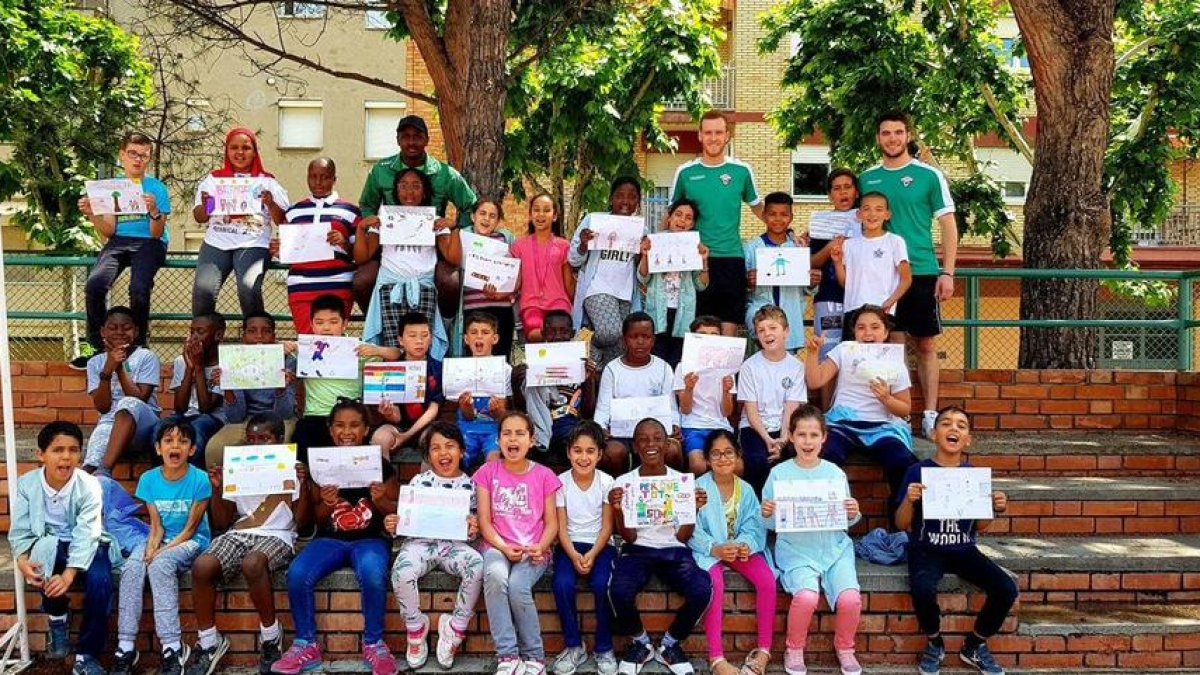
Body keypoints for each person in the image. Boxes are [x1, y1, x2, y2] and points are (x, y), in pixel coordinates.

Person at [272, 400, 401, 675]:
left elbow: (396, 513)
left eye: (355, 425)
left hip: (370, 539)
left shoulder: (380, 466)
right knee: (297, 573)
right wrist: (326, 502)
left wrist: (380, 501)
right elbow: (315, 520)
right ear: (330, 430)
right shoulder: (322, 466)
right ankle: (306, 643)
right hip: (330, 539)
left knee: (372, 572)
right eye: (340, 426)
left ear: (366, 429)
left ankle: (374, 643)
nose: (347, 432)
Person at [184, 414, 310, 675]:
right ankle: (209, 641)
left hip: (278, 534)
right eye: (251, 439)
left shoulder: (293, 466)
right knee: (202, 566)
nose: (256, 444)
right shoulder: (240, 466)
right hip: (240, 531)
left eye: (264, 439)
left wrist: (304, 486)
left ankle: (270, 636)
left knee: (253, 563)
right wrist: (218, 489)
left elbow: (303, 522)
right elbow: (221, 521)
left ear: (278, 441)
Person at [859, 113, 959, 437]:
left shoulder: (928, 176)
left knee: (926, 345)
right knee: (893, 346)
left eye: (898, 132)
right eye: (885, 133)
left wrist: (948, 271)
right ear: (877, 138)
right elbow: (851, 222)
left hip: (921, 271)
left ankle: (930, 414)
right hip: (880, 273)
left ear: (908, 135)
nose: (892, 138)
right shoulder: (867, 178)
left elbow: (948, 226)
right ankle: (898, 414)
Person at [896, 407, 1016, 675]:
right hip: (926, 547)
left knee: (1006, 588)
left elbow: (981, 525)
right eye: (946, 423)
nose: (953, 429)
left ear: (968, 439)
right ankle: (935, 642)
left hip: (964, 548)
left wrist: (994, 507)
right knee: (923, 588)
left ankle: (974, 644)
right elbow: (901, 523)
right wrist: (909, 500)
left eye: (961, 426)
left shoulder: (973, 475)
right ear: (934, 434)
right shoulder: (917, 471)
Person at [761, 405, 864, 675]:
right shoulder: (779, 474)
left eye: (814, 435)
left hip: (834, 548)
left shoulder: (834, 474)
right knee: (806, 597)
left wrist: (853, 513)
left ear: (824, 438)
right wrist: (768, 514)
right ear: (791, 437)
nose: (808, 441)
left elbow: (846, 519)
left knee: (850, 599)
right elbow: (769, 524)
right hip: (797, 550)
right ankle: (794, 649)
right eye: (802, 434)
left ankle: (845, 648)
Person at [9, 422, 118, 675]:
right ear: (41, 455)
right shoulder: (27, 484)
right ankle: (57, 619)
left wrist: (70, 574)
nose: (66, 457)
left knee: (101, 581)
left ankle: (86, 655)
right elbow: (21, 530)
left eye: (73, 450)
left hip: (89, 543)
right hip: (48, 543)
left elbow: (87, 532)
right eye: (58, 450)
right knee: (44, 558)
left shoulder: (89, 485)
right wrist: (23, 561)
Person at [608, 418, 712, 675]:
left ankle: (670, 644)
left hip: (674, 548)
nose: (650, 444)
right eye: (643, 439)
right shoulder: (624, 483)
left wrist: (692, 510)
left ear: (667, 445)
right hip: (638, 549)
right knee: (618, 590)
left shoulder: (681, 482)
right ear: (634, 446)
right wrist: (619, 510)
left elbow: (683, 536)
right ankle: (641, 642)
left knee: (702, 588)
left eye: (657, 438)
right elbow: (629, 538)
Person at [115, 421, 212, 675]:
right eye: (168, 440)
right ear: (158, 448)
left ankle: (172, 647)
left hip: (192, 541)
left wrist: (159, 554)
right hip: (162, 538)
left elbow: (191, 529)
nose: (175, 446)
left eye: (182, 441)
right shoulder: (148, 480)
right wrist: (150, 549)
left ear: (191, 450)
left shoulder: (200, 479)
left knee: (160, 566)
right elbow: (156, 527)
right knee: (133, 568)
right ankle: (125, 646)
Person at [355, 114, 477, 314]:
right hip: (390, 244)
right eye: (406, 136)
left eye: (417, 136)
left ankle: (445, 329)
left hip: (434, 244)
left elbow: (470, 204)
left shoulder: (445, 173)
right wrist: (373, 225)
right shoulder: (381, 171)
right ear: (398, 140)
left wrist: (454, 227)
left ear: (427, 140)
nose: (411, 142)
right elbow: (367, 204)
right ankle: (376, 327)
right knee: (362, 280)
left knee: (450, 281)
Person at [384, 422, 482, 670]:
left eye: (450, 446)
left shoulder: (472, 486)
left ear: (462, 451)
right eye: (435, 448)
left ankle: (455, 628)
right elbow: (404, 522)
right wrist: (394, 523)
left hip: (453, 547)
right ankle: (416, 628)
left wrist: (474, 527)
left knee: (478, 564)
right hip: (420, 545)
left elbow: (475, 527)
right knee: (402, 570)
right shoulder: (419, 481)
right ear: (428, 456)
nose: (443, 453)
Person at [806, 306, 917, 516]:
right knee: (827, 455)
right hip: (842, 423)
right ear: (854, 332)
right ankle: (828, 519)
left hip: (883, 427)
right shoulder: (844, 350)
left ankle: (900, 524)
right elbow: (815, 380)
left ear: (885, 333)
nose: (868, 333)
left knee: (903, 461)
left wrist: (886, 398)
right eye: (861, 328)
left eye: (875, 327)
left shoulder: (894, 360)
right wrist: (813, 353)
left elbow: (905, 409)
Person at [74, 131, 171, 369]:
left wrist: (155, 211)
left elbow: (157, 232)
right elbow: (108, 231)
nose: (138, 160)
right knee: (94, 285)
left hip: (150, 241)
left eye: (144, 156)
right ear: (122, 155)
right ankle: (94, 347)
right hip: (118, 241)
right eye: (133, 154)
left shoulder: (157, 188)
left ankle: (137, 345)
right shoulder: (112, 187)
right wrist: (92, 214)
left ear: (149, 158)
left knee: (139, 288)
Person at [475, 412, 562, 675]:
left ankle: (535, 657)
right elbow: (484, 522)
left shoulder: (545, 476)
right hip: (496, 545)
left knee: (518, 586)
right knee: (494, 575)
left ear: (532, 440)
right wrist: (502, 547)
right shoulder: (487, 472)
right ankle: (508, 656)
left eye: (520, 433)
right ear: (498, 439)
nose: (513, 439)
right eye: (507, 433)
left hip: (534, 549)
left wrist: (541, 546)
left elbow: (552, 524)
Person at [669, 111, 765, 337]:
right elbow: (672, 215)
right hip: (696, 261)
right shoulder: (685, 172)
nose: (714, 138)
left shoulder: (741, 171)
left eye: (719, 132)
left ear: (727, 136)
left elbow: (758, 208)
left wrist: (788, 236)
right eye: (708, 132)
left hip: (732, 259)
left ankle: (727, 374)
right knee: (698, 332)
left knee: (728, 332)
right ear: (700, 135)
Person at [690, 431, 776, 675]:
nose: (723, 458)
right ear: (706, 459)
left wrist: (745, 543)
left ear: (738, 455)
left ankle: (764, 650)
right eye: (715, 454)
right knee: (714, 583)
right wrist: (714, 548)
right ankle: (716, 658)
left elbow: (754, 524)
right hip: (709, 551)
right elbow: (690, 528)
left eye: (728, 452)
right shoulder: (698, 489)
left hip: (739, 550)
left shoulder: (746, 490)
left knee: (767, 580)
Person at [354, 167, 455, 358]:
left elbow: (452, 257)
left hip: (423, 287)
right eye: (403, 186)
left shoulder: (434, 221)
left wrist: (452, 227)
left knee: (422, 343)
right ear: (396, 191)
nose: (409, 192)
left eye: (416, 186)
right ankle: (393, 384)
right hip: (390, 288)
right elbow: (362, 257)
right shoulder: (384, 219)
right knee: (394, 342)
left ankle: (425, 385)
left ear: (425, 191)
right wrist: (361, 229)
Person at [191, 127, 289, 316]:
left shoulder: (267, 181)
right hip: (217, 242)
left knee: (248, 289)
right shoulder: (213, 179)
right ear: (227, 151)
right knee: (203, 292)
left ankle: (256, 340)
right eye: (234, 148)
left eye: (246, 148)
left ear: (255, 152)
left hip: (254, 242)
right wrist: (207, 205)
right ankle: (204, 342)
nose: (240, 153)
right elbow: (200, 216)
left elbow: (282, 220)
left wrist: (271, 203)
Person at [551, 421, 617, 675]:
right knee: (562, 584)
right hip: (569, 545)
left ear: (600, 454)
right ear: (568, 452)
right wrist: (574, 554)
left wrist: (591, 554)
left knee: (603, 585)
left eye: (590, 451)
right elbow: (561, 527)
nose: (583, 457)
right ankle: (574, 645)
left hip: (601, 545)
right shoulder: (560, 483)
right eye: (577, 450)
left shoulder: (607, 482)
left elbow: (608, 527)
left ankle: (604, 647)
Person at [273, 157, 359, 334]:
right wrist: (277, 251)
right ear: (307, 178)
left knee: (334, 342)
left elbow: (359, 254)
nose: (318, 182)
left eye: (325, 177)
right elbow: (288, 254)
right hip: (302, 286)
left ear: (334, 179)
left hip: (338, 283)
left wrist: (343, 243)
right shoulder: (293, 212)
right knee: (307, 343)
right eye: (313, 176)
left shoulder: (350, 211)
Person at [570, 177, 646, 368]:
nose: (626, 201)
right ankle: (586, 342)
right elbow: (573, 259)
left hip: (626, 294)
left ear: (638, 202)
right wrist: (584, 245)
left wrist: (643, 254)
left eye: (632, 197)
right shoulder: (594, 221)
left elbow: (642, 274)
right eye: (620, 196)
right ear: (611, 198)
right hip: (598, 289)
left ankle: (600, 379)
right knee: (609, 332)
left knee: (620, 345)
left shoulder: (641, 229)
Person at [205, 312, 298, 466]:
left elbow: (285, 414)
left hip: (280, 420)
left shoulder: (287, 360)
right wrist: (228, 387)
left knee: (285, 443)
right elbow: (235, 417)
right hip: (246, 420)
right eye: (252, 331)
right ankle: (219, 488)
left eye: (266, 331)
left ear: (274, 336)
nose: (259, 336)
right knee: (215, 449)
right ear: (244, 336)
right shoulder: (234, 359)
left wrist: (281, 388)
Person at [594, 312, 681, 474]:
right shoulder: (612, 369)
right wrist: (601, 428)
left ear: (653, 340)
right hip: (622, 434)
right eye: (633, 337)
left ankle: (668, 494)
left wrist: (675, 424)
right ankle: (617, 493)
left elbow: (671, 407)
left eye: (646, 337)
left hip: (654, 434)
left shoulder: (663, 368)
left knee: (672, 451)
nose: (640, 342)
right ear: (624, 339)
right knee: (613, 452)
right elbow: (603, 408)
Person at [82, 306, 162, 475]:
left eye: (126, 328)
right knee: (90, 464)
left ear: (136, 331)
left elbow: (140, 398)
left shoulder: (146, 357)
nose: (119, 332)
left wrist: (119, 367)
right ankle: (89, 486)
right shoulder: (95, 363)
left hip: (143, 423)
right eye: (112, 328)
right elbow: (102, 407)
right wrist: (107, 371)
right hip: (110, 422)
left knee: (128, 403)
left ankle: (105, 470)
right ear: (103, 331)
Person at [736, 305, 807, 494]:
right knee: (758, 461)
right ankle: (760, 514)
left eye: (773, 328)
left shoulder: (797, 367)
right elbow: (751, 410)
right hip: (755, 429)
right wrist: (767, 439)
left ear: (786, 332)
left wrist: (784, 439)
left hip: (785, 427)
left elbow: (791, 407)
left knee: (794, 457)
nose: (767, 334)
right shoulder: (749, 366)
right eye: (761, 330)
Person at [290, 295, 369, 457]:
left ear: (344, 324)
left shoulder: (357, 348)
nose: (326, 328)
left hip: (349, 414)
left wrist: (378, 351)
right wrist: (282, 346)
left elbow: (395, 354)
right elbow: (272, 353)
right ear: (311, 324)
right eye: (319, 323)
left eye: (333, 322)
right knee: (303, 435)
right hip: (316, 416)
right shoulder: (305, 349)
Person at [515, 310, 599, 462]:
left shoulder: (581, 362)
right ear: (543, 333)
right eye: (552, 332)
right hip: (537, 420)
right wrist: (517, 382)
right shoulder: (532, 360)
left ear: (572, 333)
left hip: (569, 422)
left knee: (577, 436)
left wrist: (590, 380)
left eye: (564, 331)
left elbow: (588, 412)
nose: (558, 336)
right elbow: (521, 407)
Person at [639, 199, 709, 367]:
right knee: (657, 357)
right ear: (669, 218)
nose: (682, 220)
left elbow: (701, 285)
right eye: (678, 215)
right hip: (658, 311)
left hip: (683, 312)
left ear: (692, 224)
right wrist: (646, 255)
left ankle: (675, 393)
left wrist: (704, 261)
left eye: (688, 217)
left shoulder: (694, 246)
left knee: (677, 359)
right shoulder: (655, 241)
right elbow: (643, 278)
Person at [745, 192, 818, 353]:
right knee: (760, 365)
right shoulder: (752, 248)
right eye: (772, 214)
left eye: (784, 214)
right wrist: (749, 282)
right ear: (763, 216)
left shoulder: (799, 248)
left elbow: (808, 289)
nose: (778, 219)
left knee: (787, 366)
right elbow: (741, 288)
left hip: (791, 314)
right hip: (760, 316)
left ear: (791, 217)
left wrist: (812, 282)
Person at [446, 199, 517, 358]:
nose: (486, 219)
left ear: (498, 221)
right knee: (472, 358)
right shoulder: (463, 238)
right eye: (482, 213)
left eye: (492, 216)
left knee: (500, 357)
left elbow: (516, 273)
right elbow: (452, 262)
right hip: (472, 308)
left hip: (501, 309)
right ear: (473, 216)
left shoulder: (505, 239)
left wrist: (503, 294)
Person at [830, 191, 911, 329]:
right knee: (852, 350)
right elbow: (846, 283)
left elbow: (906, 279)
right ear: (859, 214)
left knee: (879, 350)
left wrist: (890, 302)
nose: (872, 214)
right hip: (853, 310)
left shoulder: (895, 242)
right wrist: (837, 262)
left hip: (882, 310)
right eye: (866, 209)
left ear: (887, 215)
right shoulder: (849, 244)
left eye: (878, 209)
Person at [160, 313, 227, 466]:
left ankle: (191, 477)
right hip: (186, 414)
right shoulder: (181, 361)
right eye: (192, 332)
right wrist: (189, 369)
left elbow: (206, 408)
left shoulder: (226, 362)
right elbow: (179, 407)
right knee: (161, 428)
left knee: (195, 430)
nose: (194, 337)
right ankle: (160, 477)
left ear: (218, 335)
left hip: (213, 418)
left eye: (200, 332)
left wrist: (198, 367)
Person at [374, 311, 444, 456]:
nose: (419, 341)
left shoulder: (439, 368)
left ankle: (426, 479)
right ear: (400, 340)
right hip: (398, 427)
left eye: (424, 336)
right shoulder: (390, 368)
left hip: (427, 426)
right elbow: (397, 417)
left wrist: (407, 435)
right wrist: (389, 412)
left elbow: (433, 409)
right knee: (380, 439)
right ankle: (387, 479)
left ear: (431, 339)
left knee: (434, 443)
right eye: (412, 336)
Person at [807, 170, 861, 359]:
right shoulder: (821, 224)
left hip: (862, 297)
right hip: (829, 297)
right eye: (837, 188)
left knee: (858, 354)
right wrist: (830, 246)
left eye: (848, 187)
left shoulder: (868, 221)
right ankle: (827, 391)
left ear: (856, 192)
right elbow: (811, 262)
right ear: (830, 195)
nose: (843, 192)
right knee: (827, 354)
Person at [675, 315, 737, 476]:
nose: (708, 340)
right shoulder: (683, 367)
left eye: (714, 335)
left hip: (720, 426)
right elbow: (686, 409)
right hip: (693, 426)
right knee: (698, 465)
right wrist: (689, 388)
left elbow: (727, 412)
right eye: (702, 334)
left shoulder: (727, 367)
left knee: (737, 467)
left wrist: (725, 390)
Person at [510, 193, 574, 343]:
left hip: (559, 303)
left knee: (561, 333)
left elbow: (569, 283)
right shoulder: (519, 246)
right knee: (534, 333)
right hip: (531, 304)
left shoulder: (563, 245)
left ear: (555, 216)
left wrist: (577, 307)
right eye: (536, 210)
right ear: (531, 215)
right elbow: (516, 281)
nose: (541, 214)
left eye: (546, 210)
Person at [455, 312, 512, 469]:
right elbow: (466, 416)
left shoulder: (505, 370)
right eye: (474, 333)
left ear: (495, 338)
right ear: (466, 339)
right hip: (466, 427)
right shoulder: (458, 369)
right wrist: (466, 408)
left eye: (485, 333)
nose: (479, 337)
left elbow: (503, 416)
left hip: (493, 429)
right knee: (456, 459)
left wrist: (497, 410)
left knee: (494, 462)